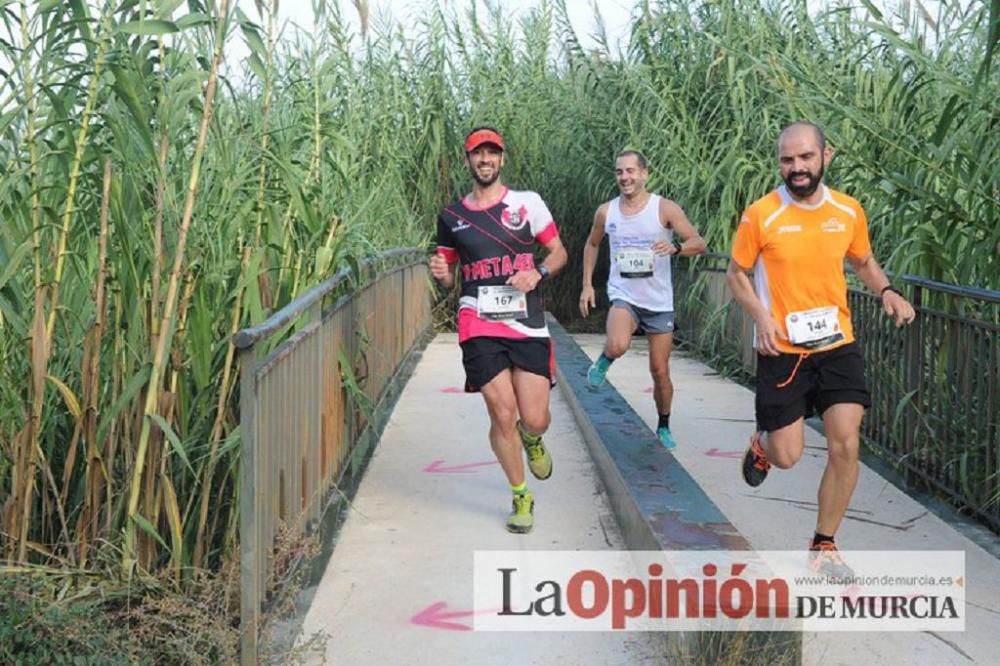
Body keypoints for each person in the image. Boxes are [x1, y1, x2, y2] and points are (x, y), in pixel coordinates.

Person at [726, 121, 915, 575]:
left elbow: (863, 260)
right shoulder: (762, 214)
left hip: (836, 344)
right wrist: (762, 317)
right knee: (787, 455)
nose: (797, 167)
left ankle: (823, 544)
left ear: (825, 155)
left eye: (806, 157)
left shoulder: (848, 211)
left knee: (846, 443)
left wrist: (887, 291)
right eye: (788, 160)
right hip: (782, 349)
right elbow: (737, 273)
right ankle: (762, 444)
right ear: (780, 164)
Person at [428, 126, 568, 534]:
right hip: (478, 323)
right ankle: (521, 493)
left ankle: (533, 438)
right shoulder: (451, 217)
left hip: (526, 320)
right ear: (468, 160)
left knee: (535, 418)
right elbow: (450, 277)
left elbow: (558, 252)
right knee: (502, 412)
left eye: (492, 153)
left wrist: (537, 272)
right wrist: (442, 275)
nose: (485, 160)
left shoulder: (527, 204)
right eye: (477, 153)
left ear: (502, 159)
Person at [579, 150, 706, 449]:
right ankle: (604, 361)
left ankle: (663, 424)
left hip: (658, 301)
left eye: (631, 171)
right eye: (619, 172)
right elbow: (592, 243)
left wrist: (675, 248)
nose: (625, 177)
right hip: (624, 294)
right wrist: (587, 284)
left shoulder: (664, 208)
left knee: (660, 371)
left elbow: (698, 243)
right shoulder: (606, 212)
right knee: (617, 343)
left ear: (645, 174)